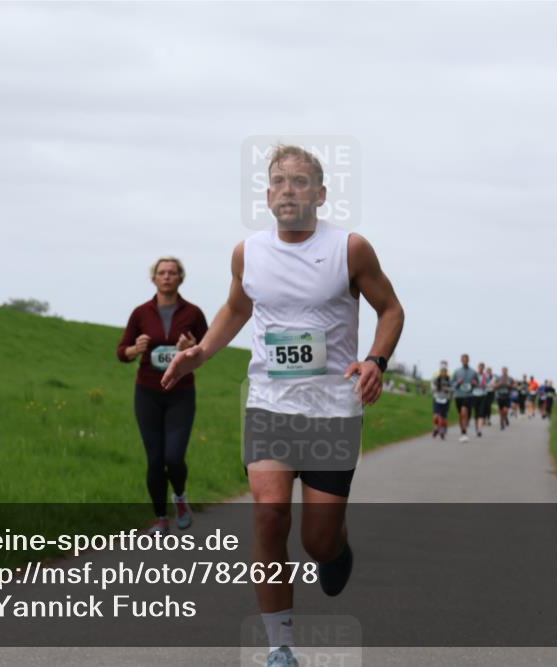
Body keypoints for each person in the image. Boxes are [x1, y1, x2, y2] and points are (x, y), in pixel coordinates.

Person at [161, 145, 404, 667]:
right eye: (278, 181)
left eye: (299, 182)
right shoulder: (248, 252)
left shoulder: (350, 249)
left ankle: (336, 549)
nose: (287, 190)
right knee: (270, 515)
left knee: (317, 541)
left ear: (320, 194)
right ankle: (280, 646)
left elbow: (390, 308)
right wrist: (201, 352)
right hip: (270, 405)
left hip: (333, 411)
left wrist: (376, 361)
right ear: (268, 196)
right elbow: (236, 307)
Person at [117, 257, 207, 536]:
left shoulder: (192, 313)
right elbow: (122, 352)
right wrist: (135, 349)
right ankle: (159, 518)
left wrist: (193, 347)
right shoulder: (140, 313)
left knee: (174, 457)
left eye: (172, 273)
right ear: (153, 278)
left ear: (181, 278)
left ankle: (179, 498)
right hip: (148, 394)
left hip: (180, 394)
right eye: (161, 273)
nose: (166, 277)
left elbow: (206, 350)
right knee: (155, 460)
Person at [451, 354, 479, 442]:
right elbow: (452, 384)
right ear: (461, 360)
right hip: (459, 395)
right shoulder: (457, 371)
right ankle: (462, 430)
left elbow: (477, 383)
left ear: (468, 360)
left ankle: (464, 432)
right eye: (463, 359)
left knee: (464, 412)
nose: (465, 361)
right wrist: (458, 383)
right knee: (461, 414)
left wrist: (475, 384)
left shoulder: (473, 372)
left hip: (468, 395)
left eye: (466, 359)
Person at [431, 361, 453, 440]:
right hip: (437, 399)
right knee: (436, 416)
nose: (443, 372)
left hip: (445, 399)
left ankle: (442, 431)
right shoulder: (436, 378)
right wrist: (435, 388)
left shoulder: (449, 379)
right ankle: (436, 428)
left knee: (443, 417)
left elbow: (452, 388)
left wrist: (446, 389)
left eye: (444, 371)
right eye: (442, 370)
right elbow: (432, 387)